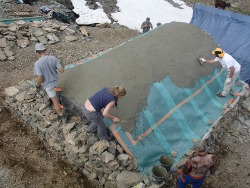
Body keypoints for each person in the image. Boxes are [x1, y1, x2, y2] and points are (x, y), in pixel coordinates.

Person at [34, 43, 64, 117]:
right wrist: (61, 64)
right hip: (55, 82)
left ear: (38, 52)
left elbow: (40, 78)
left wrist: (37, 86)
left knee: (55, 101)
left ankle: (61, 115)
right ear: (44, 50)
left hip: (48, 85)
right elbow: (62, 70)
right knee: (54, 90)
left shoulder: (37, 64)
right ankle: (57, 91)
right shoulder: (53, 58)